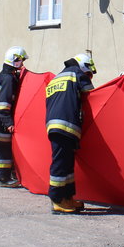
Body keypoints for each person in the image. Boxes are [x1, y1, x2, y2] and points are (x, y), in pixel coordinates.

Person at [45, 53, 96, 214]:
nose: (89, 77)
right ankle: (57, 200)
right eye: (89, 73)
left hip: (54, 125)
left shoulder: (56, 79)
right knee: (60, 164)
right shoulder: (76, 73)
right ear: (83, 66)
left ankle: (67, 197)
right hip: (66, 124)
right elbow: (92, 95)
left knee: (66, 164)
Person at [0, 46, 27, 188]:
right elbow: (2, 106)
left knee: (6, 152)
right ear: (15, 60)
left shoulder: (7, 75)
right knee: (3, 154)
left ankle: (9, 176)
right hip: (1, 124)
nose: (23, 63)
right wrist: (8, 123)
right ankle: (4, 179)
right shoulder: (8, 78)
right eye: (21, 60)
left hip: (0, 122)